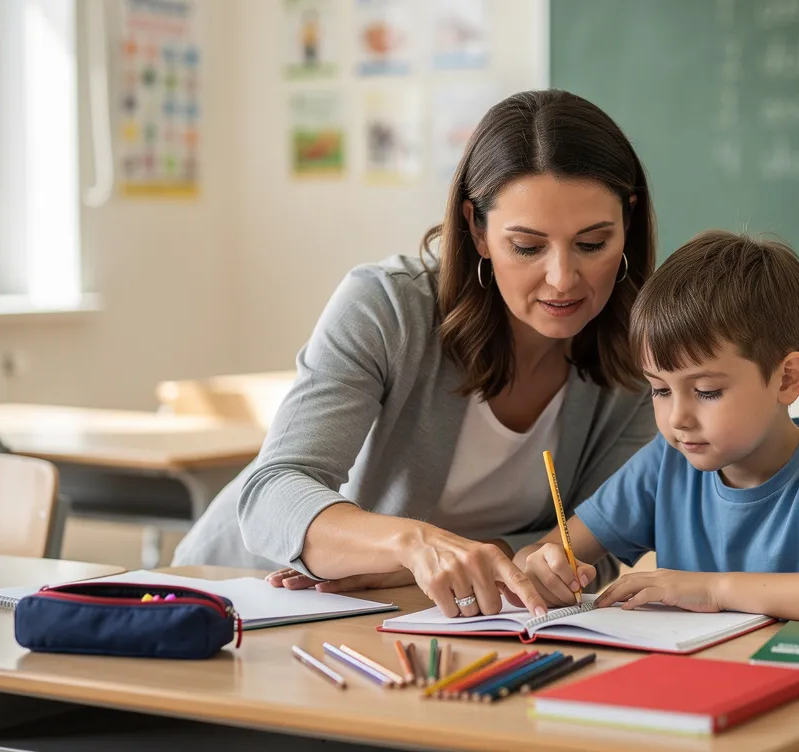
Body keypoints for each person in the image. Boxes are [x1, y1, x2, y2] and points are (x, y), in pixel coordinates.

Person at [172, 90, 658, 619]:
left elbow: (594, 542)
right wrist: (412, 546)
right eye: (527, 246)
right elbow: (272, 494)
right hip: (238, 598)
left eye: (592, 244)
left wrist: (484, 559)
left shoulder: (642, 356)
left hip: (419, 618)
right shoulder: (388, 306)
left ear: (628, 224)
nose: (563, 278)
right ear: (477, 228)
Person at [513, 230, 799, 744]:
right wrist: (543, 567)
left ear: (787, 379)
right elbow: (549, 553)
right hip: (704, 714)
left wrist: (712, 589)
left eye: (707, 390)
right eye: (660, 390)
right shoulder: (665, 464)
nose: (678, 418)